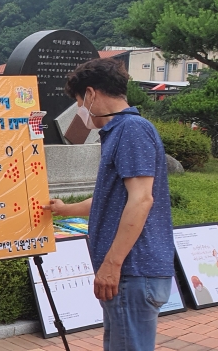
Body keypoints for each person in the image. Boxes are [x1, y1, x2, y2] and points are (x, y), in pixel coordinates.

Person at [45, 58, 174, 351]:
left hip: (132, 270)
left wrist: (112, 264)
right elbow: (113, 200)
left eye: (79, 101)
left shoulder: (131, 129)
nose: (79, 110)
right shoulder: (120, 131)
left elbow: (141, 199)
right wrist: (64, 209)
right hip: (129, 274)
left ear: (91, 94)